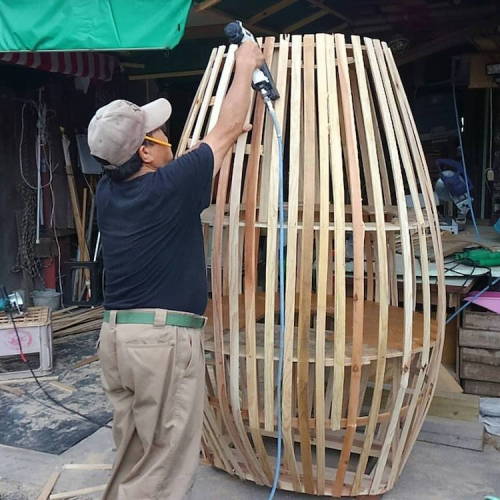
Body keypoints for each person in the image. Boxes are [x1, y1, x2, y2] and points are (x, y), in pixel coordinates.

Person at [87, 40, 264, 500]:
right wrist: (245, 66)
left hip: (117, 339)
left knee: (134, 453)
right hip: (159, 345)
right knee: (163, 465)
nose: (170, 139)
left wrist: (223, 139)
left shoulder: (108, 193)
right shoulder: (168, 186)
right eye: (159, 135)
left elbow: (218, 142)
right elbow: (222, 133)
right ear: (145, 153)